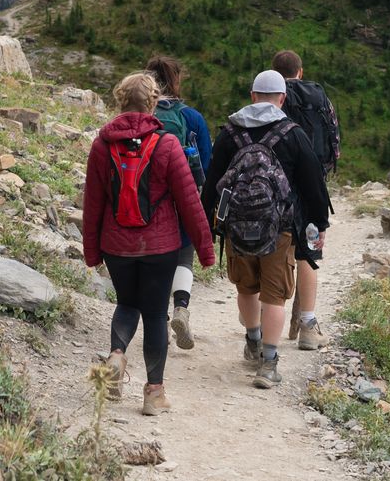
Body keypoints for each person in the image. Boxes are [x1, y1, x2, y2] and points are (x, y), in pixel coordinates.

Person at [83, 72, 216, 415]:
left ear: (119, 100)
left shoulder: (102, 144)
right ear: (154, 101)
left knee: (127, 304)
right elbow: (189, 201)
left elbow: (94, 202)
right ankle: (153, 394)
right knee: (156, 313)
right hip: (160, 246)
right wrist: (205, 249)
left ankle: (116, 356)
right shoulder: (167, 143)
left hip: (117, 245)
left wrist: (91, 250)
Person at [201, 70, 331, 390]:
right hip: (281, 229)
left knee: (247, 288)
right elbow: (313, 184)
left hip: (236, 227)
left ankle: (253, 340)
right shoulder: (293, 133)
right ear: (283, 99)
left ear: (252, 95)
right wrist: (318, 225)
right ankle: (269, 364)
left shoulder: (230, 133)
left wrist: (206, 222)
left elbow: (212, 181)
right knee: (275, 296)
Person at [144, 55, 214, 351]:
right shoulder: (192, 117)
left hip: (147, 195)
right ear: (176, 79)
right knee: (184, 254)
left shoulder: (142, 114)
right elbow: (208, 162)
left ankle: (158, 319)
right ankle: (182, 308)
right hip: (183, 194)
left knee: (155, 256)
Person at [273, 49, 340, 351]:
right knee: (309, 255)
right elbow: (334, 141)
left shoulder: (272, 96)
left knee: (277, 251)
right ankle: (307, 326)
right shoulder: (319, 96)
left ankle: (267, 325)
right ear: (300, 71)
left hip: (278, 187)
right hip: (313, 188)